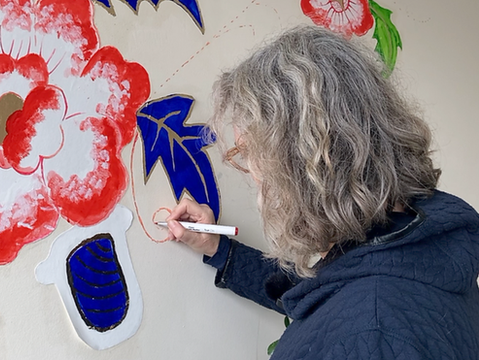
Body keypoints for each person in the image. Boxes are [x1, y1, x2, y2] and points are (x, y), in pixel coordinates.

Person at [164, 26, 479, 359]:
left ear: (304, 165)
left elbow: (353, 320)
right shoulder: (419, 245)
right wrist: (219, 249)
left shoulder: (372, 330)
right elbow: (327, 295)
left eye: (249, 152)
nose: (253, 175)